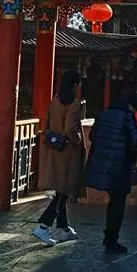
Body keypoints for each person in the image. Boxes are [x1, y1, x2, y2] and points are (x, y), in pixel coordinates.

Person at [32, 70, 86, 246]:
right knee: (63, 192)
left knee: (61, 190)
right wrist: (78, 140)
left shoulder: (54, 100)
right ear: (75, 85)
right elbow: (70, 128)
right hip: (68, 152)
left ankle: (64, 229)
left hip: (55, 149)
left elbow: (46, 124)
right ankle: (43, 225)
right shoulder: (74, 104)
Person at [84, 91, 137, 254]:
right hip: (119, 165)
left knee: (113, 199)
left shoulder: (104, 114)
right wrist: (132, 159)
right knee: (118, 202)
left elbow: (93, 136)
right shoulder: (127, 116)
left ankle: (109, 237)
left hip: (102, 164)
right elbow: (135, 140)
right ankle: (111, 239)